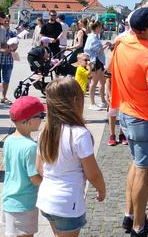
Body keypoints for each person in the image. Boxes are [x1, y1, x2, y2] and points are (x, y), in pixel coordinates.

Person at [109, 3, 148, 237]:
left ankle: (130, 216)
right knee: (143, 171)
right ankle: (139, 226)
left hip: (125, 113)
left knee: (136, 164)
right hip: (144, 117)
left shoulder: (122, 43)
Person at [37, 78, 105, 236]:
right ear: (76, 101)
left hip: (46, 198)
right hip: (68, 202)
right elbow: (92, 173)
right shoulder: (79, 134)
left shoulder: (44, 132)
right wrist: (101, 189)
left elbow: (39, 168)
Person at [2, 96, 44, 237]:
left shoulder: (9, 141)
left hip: (9, 199)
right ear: (29, 121)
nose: (42, 119)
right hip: (24, 203)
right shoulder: (30, 147)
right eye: (40, 116)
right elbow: (34, 178)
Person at [84, 21, 110, 111]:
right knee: (94, 83)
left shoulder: (95, 36)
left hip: (99, 61)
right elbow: (97, 51)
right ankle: (92, 103)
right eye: (100, 27)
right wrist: (106, 46)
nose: (101, 29)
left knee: (102, 82)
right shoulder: (93, 37)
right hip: (96, 61)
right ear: (97, 27)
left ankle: (103, 101)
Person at [0, 18, 18, 105]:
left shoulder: (12, 33)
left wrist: (13, 49)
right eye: (5, 21)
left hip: (9, 59)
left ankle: (3, 96)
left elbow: (16, 44)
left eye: (7, 21)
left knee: (6, 79)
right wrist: (3, 49)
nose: (6, 23)